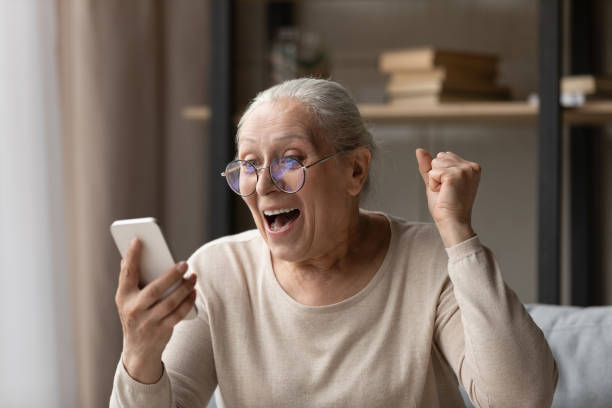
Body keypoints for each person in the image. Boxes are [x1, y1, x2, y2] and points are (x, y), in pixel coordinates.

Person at [110, 78, 558, 407]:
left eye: (290, 160)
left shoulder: (428, 260)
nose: (263, 185)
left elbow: (521, 398)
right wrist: (140, 353)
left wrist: (458, 234)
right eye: (248, 164)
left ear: (355, 171)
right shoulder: (218, 271)